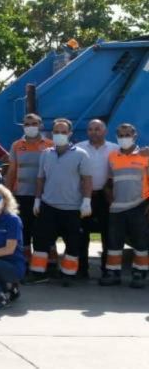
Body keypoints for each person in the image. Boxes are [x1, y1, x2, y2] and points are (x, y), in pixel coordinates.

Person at [28, 118, 93, 286]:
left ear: (70, 134)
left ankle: (68, 274)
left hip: (72, 208)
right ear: (51, 133)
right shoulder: (46, 154)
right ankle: (38, 273)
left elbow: (87, 180)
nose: (59, 135)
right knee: (41, 241)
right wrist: (37, 199)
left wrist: (87, 201)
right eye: (56, 132)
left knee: (72, 243)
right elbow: (41, 179)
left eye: (63, 132)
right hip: (49, 206)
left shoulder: (81, 154)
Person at [100, 124, 149, 288]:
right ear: (116, 137)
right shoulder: (113, 156)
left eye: (127, 134)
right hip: (117, 208)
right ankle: (113, 273)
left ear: (135, 136)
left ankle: (139, 274)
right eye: (121, 135)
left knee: (140, 242)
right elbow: (108, 183)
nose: (124, 137)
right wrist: (110, 201)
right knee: (114, 243)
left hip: (139, 206)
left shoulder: (145, 155)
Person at [5, 113, 53, 265]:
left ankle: (47, 264)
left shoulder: (50, 144)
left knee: (43, 232)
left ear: (40, 125)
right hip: (22, 195)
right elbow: (12, 171)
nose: (30, 127)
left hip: (43, 196)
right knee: (24, 231)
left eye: (34, 123)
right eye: (27, 124)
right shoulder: (16, 145)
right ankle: (25, 262)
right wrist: (8, 193)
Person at [75, 119, 119, 279]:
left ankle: (107, 269)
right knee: (81, 234)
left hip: (105, 197)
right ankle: (81, 269)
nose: (93, 132)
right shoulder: (79, 148)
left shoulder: (115, 149)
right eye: (90, 129)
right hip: (84, 197)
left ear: (105, 131)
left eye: (97, 129)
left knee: (108, 234)